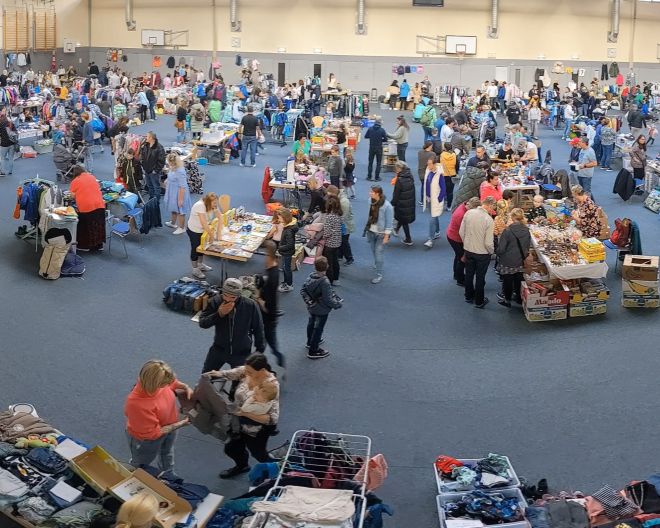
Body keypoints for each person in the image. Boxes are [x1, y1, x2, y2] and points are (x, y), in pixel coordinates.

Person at [205, 354, 279, 478]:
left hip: (256, 428)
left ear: (261, 370)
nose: (246, 373)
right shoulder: (248, 371)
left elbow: (271, 419)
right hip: (237, 422)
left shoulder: (270, 386)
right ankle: (242, 466)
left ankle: (280, 469)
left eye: (249, 372)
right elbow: (236, 372)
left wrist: (244, 413)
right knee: (231, 448)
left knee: (259, 454)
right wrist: (219, 374)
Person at [124, 360, 192, 472]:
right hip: (146, 440)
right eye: (164, 384)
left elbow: (172, 383)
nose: (167, 385)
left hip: (170, 427)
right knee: (141, 463)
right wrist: (181, 424)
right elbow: (152, 433)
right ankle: (134, 475)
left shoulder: (159, 383)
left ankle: (168, 476)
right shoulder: (137, 404)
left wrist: (185, 387)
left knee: (167, 452)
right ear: (154, 383)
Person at [199, 278, 265, 371]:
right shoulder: (215, 301)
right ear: (222, 292)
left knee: (238, 384)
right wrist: (219, 314)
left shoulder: (250, 305)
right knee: (206, 377)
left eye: (233, 297)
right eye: (225, 295)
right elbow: (203, 323)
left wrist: (259, 352)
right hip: (219, 349)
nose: (228, 299)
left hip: (241, 353)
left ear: (239, 295)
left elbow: (259, 329)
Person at [300, 256, 342, 359]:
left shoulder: (310, 276)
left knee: (311, 323)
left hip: (312, 307)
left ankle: (310, 342)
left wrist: (309, 302)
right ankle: (313, 350)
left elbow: (303, 290)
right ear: (327, 267)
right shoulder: (325, 282)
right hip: (321, 309)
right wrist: (337, 304)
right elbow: (328, 299)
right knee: (318, 328)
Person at [460, 196, 496, 309]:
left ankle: (468, 296)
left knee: (469, 274)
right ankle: (479, 301)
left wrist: (466, 244)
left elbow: (461, 232)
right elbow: (488, 243)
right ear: (489, 205)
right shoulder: (489, 220)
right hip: (482, 254)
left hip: (468, 250)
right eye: (493, 208)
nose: (493, 210)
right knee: (480, 278)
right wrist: (492, 252)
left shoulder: (469, 213)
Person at [496, 208, 531, 308]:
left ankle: (507, 299)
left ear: (512, 217)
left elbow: (501, 249)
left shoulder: (507, 231)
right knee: (519, 279)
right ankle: (519, 298)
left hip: (507, 261)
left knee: (507, 281)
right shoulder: (526, 229)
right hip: (520, 260)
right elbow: (527, 246)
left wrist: (497, 252)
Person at [258, 241, 285, 368]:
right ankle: (257, 358)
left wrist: (258, 298)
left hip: (269, 316)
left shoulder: (272, 276)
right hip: (267, 316)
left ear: (269, 255)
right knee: (263, 341)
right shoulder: (272, 269)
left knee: (270, 342)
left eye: (264, 255)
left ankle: (279, 358)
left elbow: (268, 305)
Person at [69, 166, 106, 251]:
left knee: (84, 226)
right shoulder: (92, 176)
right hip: (100, 205)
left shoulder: (75, 181)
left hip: (86, 207)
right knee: (98, 225)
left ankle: (84, 246)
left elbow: (72, 195)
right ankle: (99, 245)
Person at [447, 197, 481, 287]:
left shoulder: (464, 205)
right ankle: (460, 279)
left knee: (458, 256)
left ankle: (456, 275)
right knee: (462, 258)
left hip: (452, 235)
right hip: (456, 238)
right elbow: (464, 232)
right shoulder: (462, 215)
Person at [187, 192, 221, 279]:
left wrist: (219, 230)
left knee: (202, 247)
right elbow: (204, 223)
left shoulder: (211, 204)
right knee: (196, 248)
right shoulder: (200, 206)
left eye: (216, 203)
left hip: (203, 230)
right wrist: (212, 235)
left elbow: (219, 215)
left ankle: (200, 264)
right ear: (208, 202)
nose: (215, 205)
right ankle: (195, 269)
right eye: (214, 203)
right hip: (194, 230)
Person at [365, 185, 393, 284]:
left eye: (372, 192)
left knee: (378, 254)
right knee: (373, 250)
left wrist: (386, 236)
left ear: (377, 194)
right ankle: (377, 264)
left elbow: (389, 222)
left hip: (381, 234)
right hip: (371, 231)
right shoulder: (370, 201)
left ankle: (379, 274)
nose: (370, 193)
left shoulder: (387, 206)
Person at [163, 153, 192, 235]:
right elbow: (171, 176)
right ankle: (173, 223)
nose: (168, 164)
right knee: (173, 207)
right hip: (172, 191)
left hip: (179, 193)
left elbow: (182, 187)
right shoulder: (173, 167)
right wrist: (167, 180)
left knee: (180, 209)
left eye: (169, 162)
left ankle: (182, 228)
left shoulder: (180, 171)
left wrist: (180, 199)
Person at [422, 155, 446, 249]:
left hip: (435, 200)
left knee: (432, 218)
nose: (428, 165)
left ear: (435, 164)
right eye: (427, 163)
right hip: (429, 199)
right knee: (434, 216)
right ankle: (437, 231)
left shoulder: (439, 174)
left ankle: (430, 239)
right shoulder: (428, 170)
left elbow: (443, 189)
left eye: (430, 164)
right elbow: (426, 184)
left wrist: (439, 199)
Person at [327, 185, 354, 265]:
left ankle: (350, 258)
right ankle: (340, 256)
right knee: (341, 241)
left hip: (345, 225)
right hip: (341, 224)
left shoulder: (344, 201)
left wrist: (333, 223)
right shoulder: (339, 199)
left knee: (344, 242)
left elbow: (343, 216)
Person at [391, 161, 416, 246]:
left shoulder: (400, 180)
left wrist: (392, 203)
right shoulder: (410, 176)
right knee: (402, 218)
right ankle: (396, 229)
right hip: (409, 202)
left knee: (404, 221)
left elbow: (396, 194)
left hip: (402, 203)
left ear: (399, 169)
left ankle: (408, 239)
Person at [322, 196, 343, 286]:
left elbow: (327, 232)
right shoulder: (338, 215)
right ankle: (336, 278)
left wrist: (322, 237)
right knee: (335, 261)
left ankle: (329, 282)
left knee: (329, 263)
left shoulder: (329, 217)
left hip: (329, 244)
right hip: (337, 242)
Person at [140, 131, 166, 200]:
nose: (146, 138)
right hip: (147, 170)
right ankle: (151, 199)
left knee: (156, 186)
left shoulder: (159, 147)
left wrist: (156, 170)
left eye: (147, 136)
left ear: (151, 138)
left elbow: (162, 161)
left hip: (154, 171)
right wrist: (143, 165)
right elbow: (142, 156)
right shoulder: (146, 145)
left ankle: (157, 201)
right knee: (149, 186)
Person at [277, 208, 298, 292]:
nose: (278, 219)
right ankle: (286, 282)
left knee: (287, 268)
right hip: (285, 252)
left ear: (284, 218)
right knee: (285, 268)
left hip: (287, 252)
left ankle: (289, 285)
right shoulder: (287, 227)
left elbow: (290, 244)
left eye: (280, 217)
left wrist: (280, 247)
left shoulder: (288, 230)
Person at [439, 143, 457, 207]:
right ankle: (449, 206)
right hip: (452, 174)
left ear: (445, 148)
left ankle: (441, 203)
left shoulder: (442, 155)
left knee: (442, 189)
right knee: (450, 191)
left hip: (444, 174)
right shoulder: (454, 155)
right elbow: (457, 165)